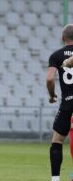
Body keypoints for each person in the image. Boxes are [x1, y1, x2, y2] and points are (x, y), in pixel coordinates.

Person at [46, 24, 73, 181]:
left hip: (68, 102)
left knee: (57, 141)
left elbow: (50, 78)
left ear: (63, 38)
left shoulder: (56, 55)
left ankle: (55, 179)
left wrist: (52, 95)